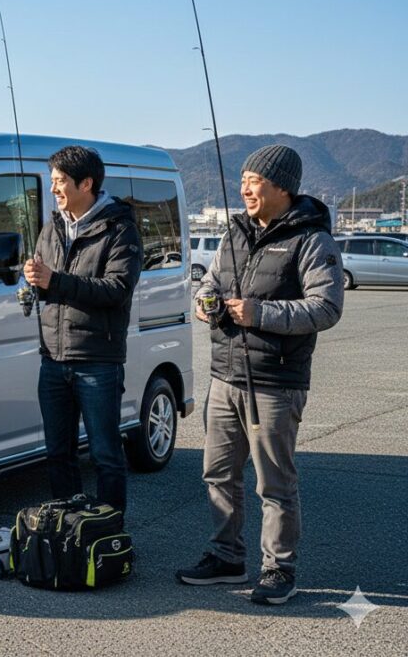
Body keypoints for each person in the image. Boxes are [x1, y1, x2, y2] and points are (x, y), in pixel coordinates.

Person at [177, 145, 344, 605]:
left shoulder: (311, 239)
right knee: (217, 474)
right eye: (244, 180)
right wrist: (206, 303)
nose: (245, 189)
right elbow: (210, 282)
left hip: (276, 382)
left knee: (274, 483)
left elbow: (326, 307)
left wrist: (259, 313)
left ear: (282, 187)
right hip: (225, 375)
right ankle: (226, 556)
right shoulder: (234, 233)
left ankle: (279, 569)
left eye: (255, 181)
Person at [24, 145, 142, 512]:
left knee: (106, 454)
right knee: (58, 454)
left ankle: (109, 532)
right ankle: (68, 531)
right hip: (52, 359)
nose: (53, 189)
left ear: (86, 183)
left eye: (60, 181)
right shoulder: (52, 228)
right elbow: (47, 285)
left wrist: (54, 281)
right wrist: (32, 283)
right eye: (52, 181)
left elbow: (117, 289)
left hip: (97, 361)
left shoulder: (120, 228)